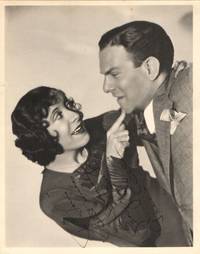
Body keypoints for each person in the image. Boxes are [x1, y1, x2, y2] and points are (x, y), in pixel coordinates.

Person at [11, 86, 188, 247]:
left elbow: (145, 118)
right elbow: (137, 233)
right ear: (39, 135)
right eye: (58, 115)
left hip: (187, 207)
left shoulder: (96, 128)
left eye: (68, 104)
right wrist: (113, 162)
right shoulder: (54, 198)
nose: (75, 114)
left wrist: (172, 88)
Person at [98, 20, 192, 245]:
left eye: (115, 74)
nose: (106, 87)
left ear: (150, 68)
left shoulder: (189, 87)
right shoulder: (142, 112)